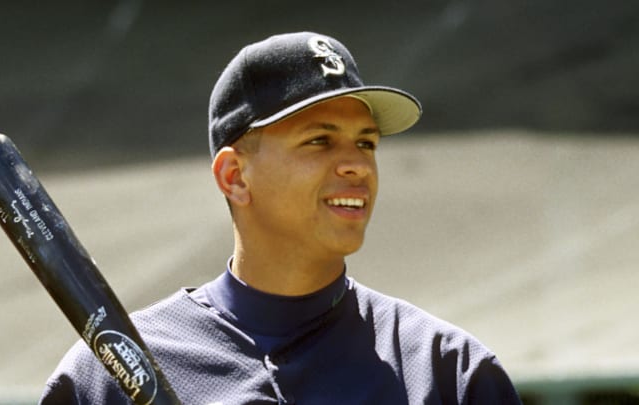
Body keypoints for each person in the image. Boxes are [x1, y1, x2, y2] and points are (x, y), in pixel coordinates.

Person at [39, 31, 522, 404]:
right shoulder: (106, 377)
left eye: (366, 142)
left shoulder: (447, 374)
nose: (357, 164)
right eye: (319, 140)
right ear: (234, 177)